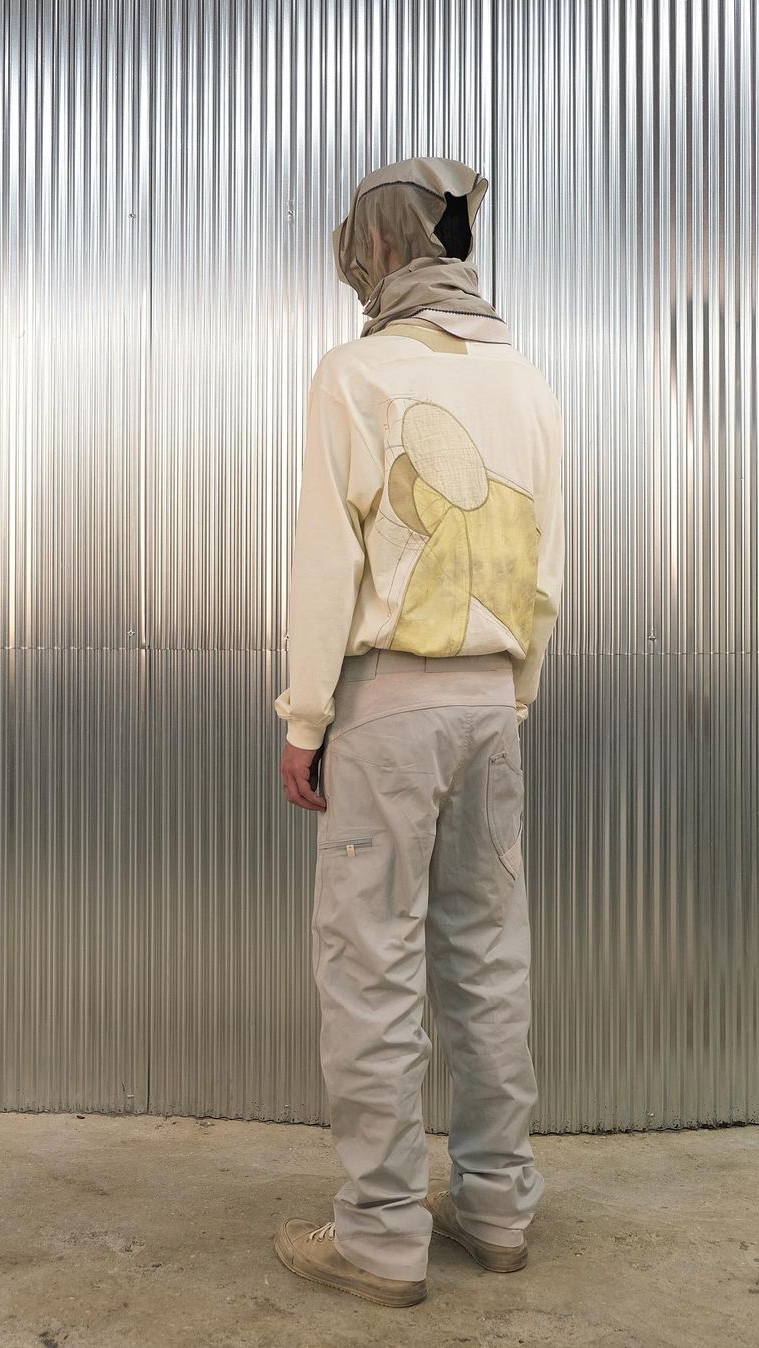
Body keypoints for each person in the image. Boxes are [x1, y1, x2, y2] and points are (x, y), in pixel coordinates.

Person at [272, 155, 565, 1308]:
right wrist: (513, 696)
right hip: (491, 707)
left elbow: (326, 561)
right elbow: (543, 569)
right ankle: (497, 1205)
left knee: (372, 964)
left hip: (389, 707)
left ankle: (383, 1234)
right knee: (489, 956)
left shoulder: (354, 373)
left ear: (382, 247)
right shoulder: (526, 382)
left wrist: (307, 716)